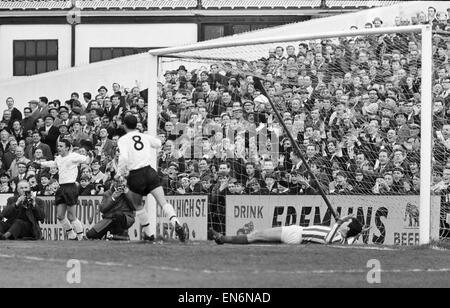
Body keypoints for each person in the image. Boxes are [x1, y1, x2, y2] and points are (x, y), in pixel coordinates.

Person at [116, 115, 186, 242]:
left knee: (137, 205)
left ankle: (148, 234)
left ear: (124, 125)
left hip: (136, 175)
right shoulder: (144, 136)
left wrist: (120, 172)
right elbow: (158, 143)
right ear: (136, 124)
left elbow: (124, 158)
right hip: (149, 172)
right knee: (163, 202)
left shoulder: (123, 140)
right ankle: (175, 221)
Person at [35, 139, 89, 240]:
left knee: (71, 216)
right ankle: (71, 235)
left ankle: (81, 237)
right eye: (58, 146)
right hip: (61, 188)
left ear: (67, 148)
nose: (58, 148)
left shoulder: (73, 156)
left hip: (71, 187)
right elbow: (54, 163)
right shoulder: (58, 158)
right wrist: (40, 164)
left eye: (61, 146)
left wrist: (88, 156)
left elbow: (86, 159)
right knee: (60, 216)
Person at [210, 215, 363, 245]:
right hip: (298, 233)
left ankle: (222, 239)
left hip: (297, 234)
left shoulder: (336, 237)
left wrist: (338, 222)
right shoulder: (341, 240)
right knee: (258, 239)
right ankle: (221, 239)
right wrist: (356, 234)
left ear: (347, 227)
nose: (343, 221)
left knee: (255, 235)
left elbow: (328, 240)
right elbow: (348, 241)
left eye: (346, 222)